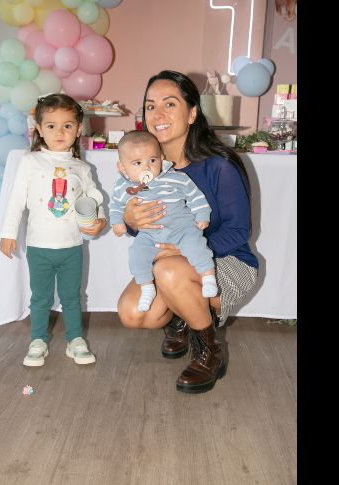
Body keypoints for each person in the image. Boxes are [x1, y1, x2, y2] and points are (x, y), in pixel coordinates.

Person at [117, 71, 259, 393]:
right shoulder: (145, 168)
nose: (158, 114)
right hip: (172, 263)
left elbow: (238, 232)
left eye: (170, 104)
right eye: (150, 106)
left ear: (192, 113)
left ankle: (210, 351)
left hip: (227, 260)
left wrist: (185, 250)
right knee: (133, 313)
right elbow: (147, 228)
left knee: (168, 270)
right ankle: (182, 314)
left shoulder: (220, 165)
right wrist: (131, 220)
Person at [0, 93, 107, 367]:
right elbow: (16, 201)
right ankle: (38, 340)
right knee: (40, 298)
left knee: (72, 298)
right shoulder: (30, 161)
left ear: (78, 129)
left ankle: (75, 339)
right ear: (39, 129)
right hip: (39, 247)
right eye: (51, 125)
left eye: (67, 125)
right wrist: (8, 233)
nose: (59, 132)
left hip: (71, 247)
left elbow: (94, 199)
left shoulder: (82, 168)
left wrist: (100, 220)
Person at [110, 130, 218, 313]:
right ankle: (147, 287)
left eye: (152, 160)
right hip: (150, 235)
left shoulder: (176, 178)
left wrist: (202, 215)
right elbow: (116, 205)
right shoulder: (123, 187)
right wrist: (117, 222)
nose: (146, 167)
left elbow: (195, 196)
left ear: (161, 158)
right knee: (136, 254)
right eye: (137, 163)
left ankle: (208, 276)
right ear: (122, 167)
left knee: (195, 244)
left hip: (181, 227)